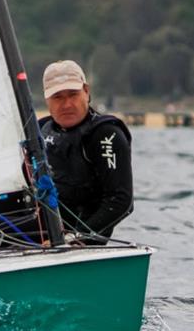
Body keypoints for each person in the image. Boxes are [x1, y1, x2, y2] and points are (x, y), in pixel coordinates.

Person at [39, 60, 133, 240]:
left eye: (73, 95)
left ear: (86, 92)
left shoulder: (106, 135)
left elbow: (121, 200)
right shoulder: (40, 130)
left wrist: (76, 238)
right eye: (58, 97)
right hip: (40, 229)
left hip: (81, 237)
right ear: (47, 99)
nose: (67, 104)